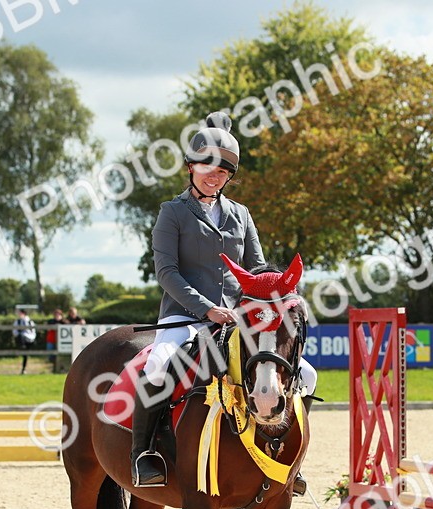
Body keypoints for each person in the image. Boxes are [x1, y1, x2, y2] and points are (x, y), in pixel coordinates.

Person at [131, 111, 316, 489]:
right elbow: (167, 272)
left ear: (228, 176)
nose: (213, 176)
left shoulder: (241, 214)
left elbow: (258, 268)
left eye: (222, 172)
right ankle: (144, 455)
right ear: (191, 167)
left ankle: (285, 454)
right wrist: (206, 308)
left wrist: (282, 291)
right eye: (207, 168)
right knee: (157, 368)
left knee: (306, 375)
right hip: (184, 318)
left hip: (235, 321)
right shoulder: (172, 213)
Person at [12, 308, 36, 374]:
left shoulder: (29, 321)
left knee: (25, 355)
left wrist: (30, 337)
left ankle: (24, 368)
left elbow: (33, 331)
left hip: (28, 339)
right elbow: (14, 331)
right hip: (21, 338)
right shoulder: (18, 321)